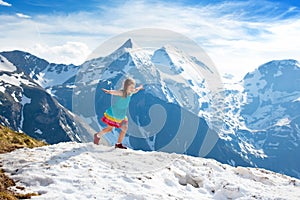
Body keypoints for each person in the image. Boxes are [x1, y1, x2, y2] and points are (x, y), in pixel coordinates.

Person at [94, 78, 143, 149]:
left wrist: (140, 87)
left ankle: (118, 144)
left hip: (121, 115)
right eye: (131, 87)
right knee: (109, 129)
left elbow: (136, 90)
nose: (133, 89)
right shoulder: (123, 93)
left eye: (133, 87)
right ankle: (97, 136)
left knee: (125, 128)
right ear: (126, 86)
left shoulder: (131, 92)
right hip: (114, 114)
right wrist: (109, 91)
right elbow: (115, 92)